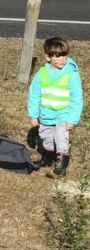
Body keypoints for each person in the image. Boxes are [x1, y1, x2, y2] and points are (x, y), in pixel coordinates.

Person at [28, 36, 83, 176]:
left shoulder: (71, 74)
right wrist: (33, 114)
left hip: (63, 115)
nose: (61, 59)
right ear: (48, 57)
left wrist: (72, 120)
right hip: (46, 115)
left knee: (61, 138)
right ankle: (47, 159)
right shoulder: (42, 74)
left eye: (64, 55)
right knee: (47, 141)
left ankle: (61, 167)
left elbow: (77, 98)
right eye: (57, 56)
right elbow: (34, 95)